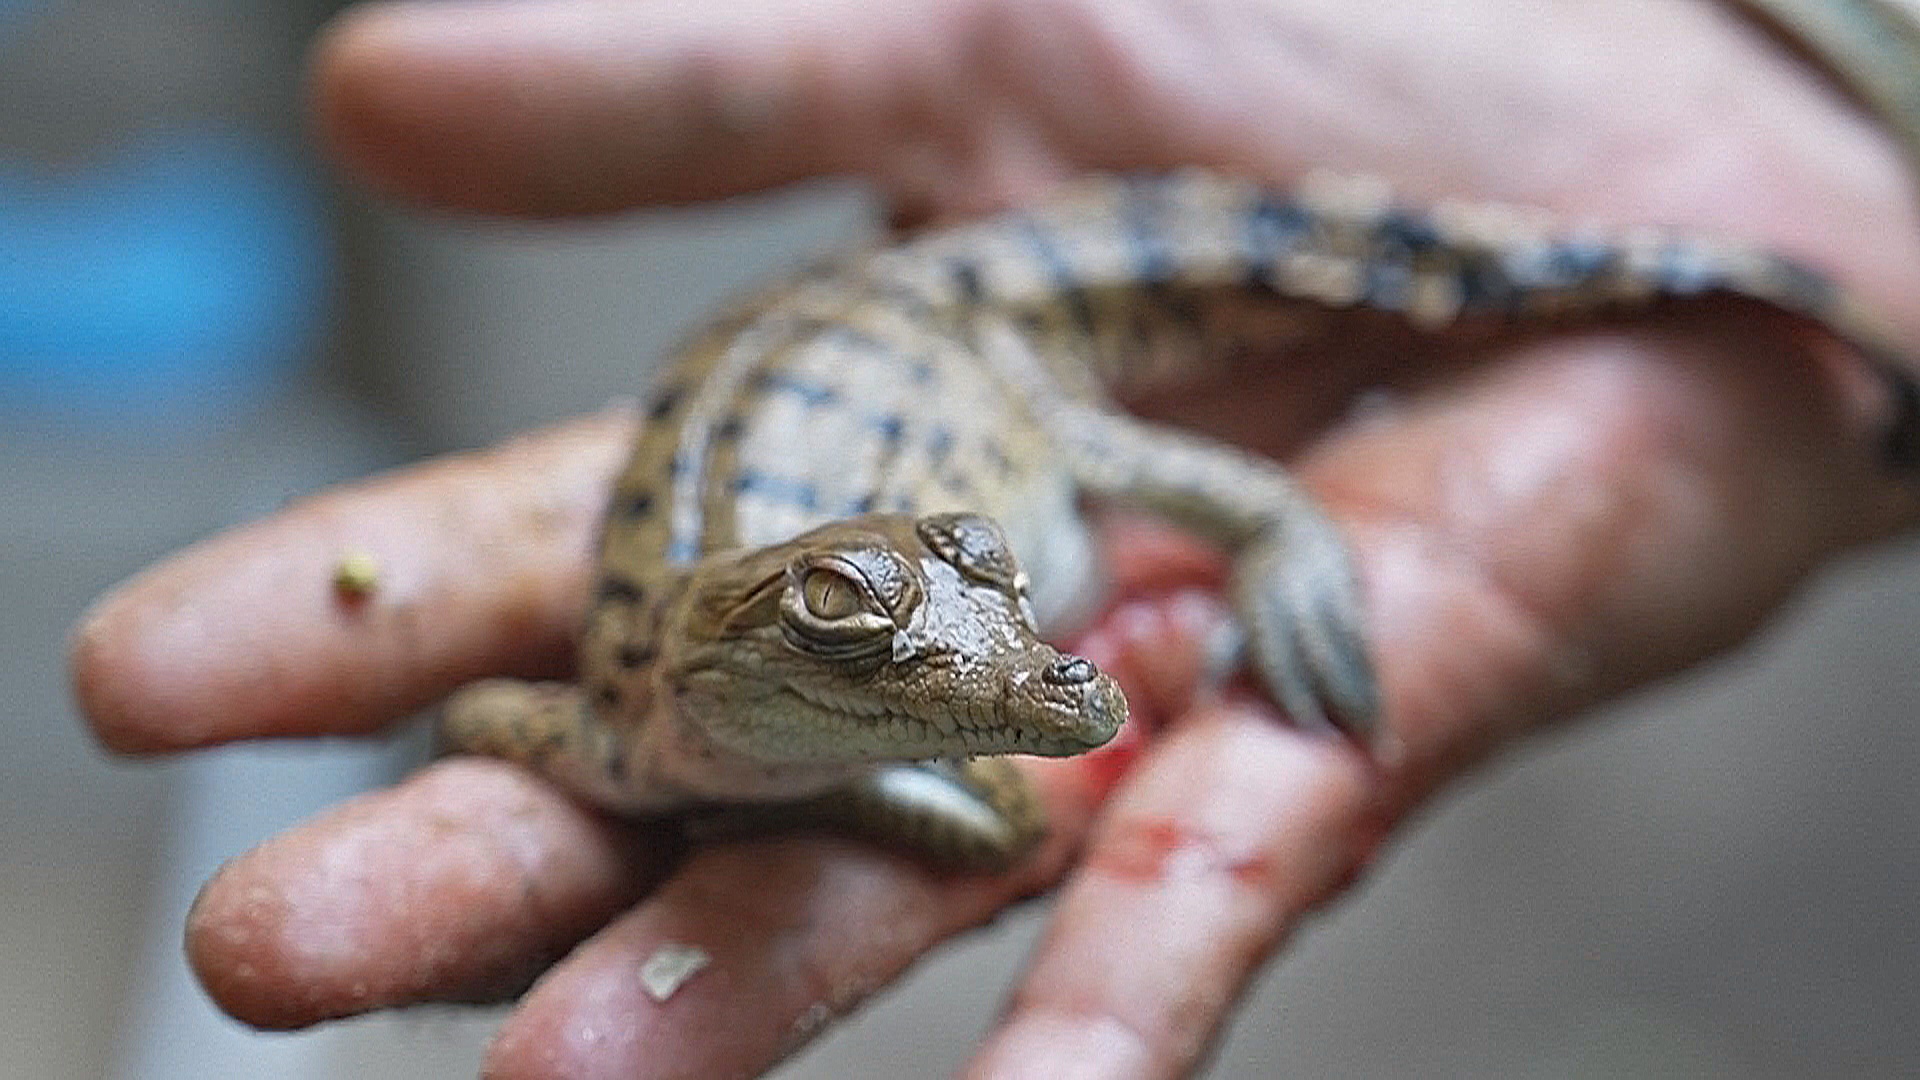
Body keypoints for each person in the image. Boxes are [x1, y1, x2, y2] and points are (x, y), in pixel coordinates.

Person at [69, 1, 1920, 1076]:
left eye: (979, 608)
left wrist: (1269, 526)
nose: (1008, 678)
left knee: (1404, 323)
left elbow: (987, 740)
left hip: (969, 347)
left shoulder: (885, 656)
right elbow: (499, 717)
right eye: (890, 658)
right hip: (847, 395)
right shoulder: (629, 725)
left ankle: (1731, 289)